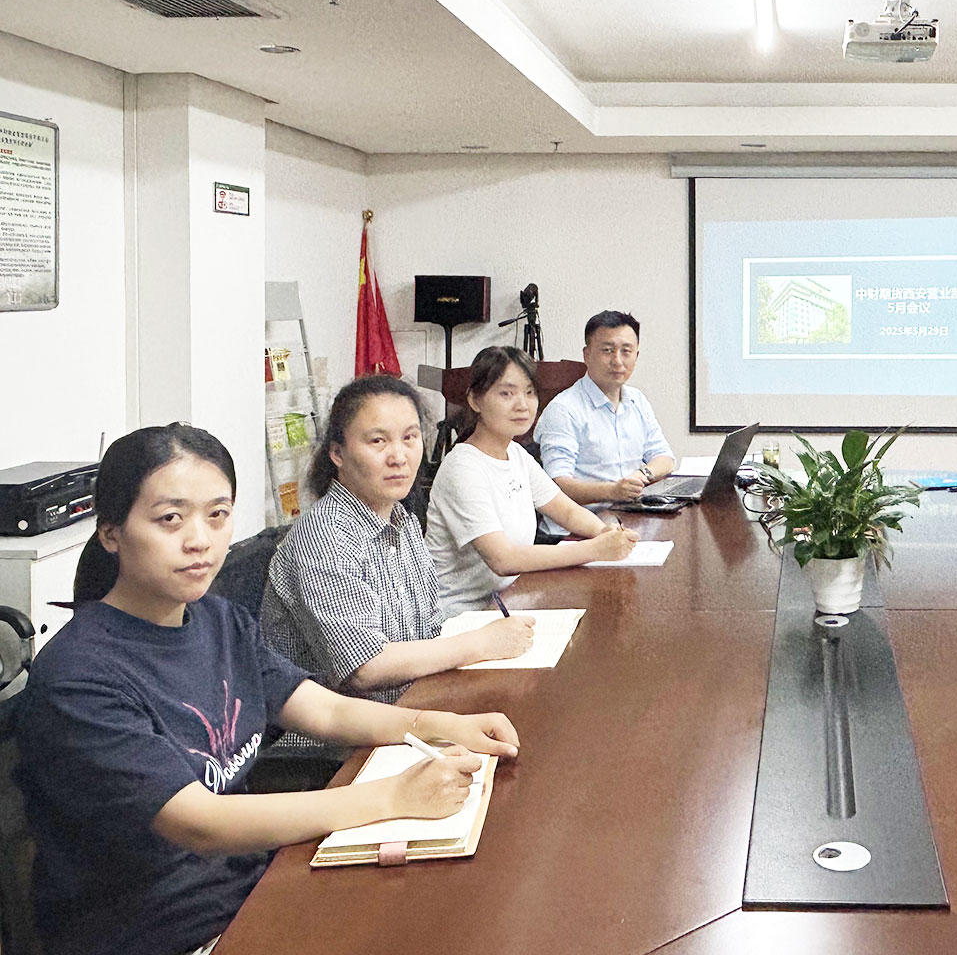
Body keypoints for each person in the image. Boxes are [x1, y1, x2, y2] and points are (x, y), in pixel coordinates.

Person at [15, 425, 518, 955]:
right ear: (111, 532)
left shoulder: (218, 620)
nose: (200, 540)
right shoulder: (80, 675)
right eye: (170, 519)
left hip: (253, 888)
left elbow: (324, 711)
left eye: (217, 514)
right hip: (166, 933)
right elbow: (200, 823)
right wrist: (391, 797)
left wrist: (441, 726)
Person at [262, 376, 537, 718]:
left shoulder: (401, 520)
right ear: (337, 453)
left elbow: (429, 629)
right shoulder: (324, 534)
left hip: (415, 705)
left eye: (409, 438)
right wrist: (480, 643)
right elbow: (366, 667)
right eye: (378, 441)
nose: (399, 457)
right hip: (347, 738)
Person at [427, 345, 640, 618]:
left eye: (529, 392)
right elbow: (503, 560)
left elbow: (566, 510)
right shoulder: (462, 468)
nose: (522, 405)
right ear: (475, 400)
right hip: (465, 616)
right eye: (506, 393)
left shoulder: (515, 453)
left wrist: (606, 533)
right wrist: (594, 549)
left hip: (513, 599)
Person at [534, 310, 675, 515]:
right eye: (607, 351)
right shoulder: (563, 410)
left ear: (636, 356)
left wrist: (643, 474)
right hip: (580, 525)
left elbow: (665, 458)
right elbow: (557, 486)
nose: (617, 361)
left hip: (629, 515)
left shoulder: (637, 400)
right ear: (587, 355)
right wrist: (613, 491)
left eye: (626, 351)